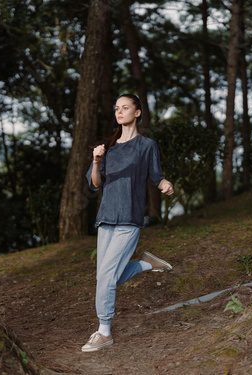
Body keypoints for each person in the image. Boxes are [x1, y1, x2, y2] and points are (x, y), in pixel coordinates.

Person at [82, 94, 174, 352]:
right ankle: (146, 263)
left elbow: (157, 176)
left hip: (129, 218)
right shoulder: (107, 147)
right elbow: (95, 183)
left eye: (125, 108)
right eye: (116, 108)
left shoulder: (147, 146)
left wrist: (165, 184)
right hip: (105, 218)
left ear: (137, 113)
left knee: (106, 277)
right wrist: (96, 161)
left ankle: (104, 331)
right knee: (105, 276)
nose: (119, 112)